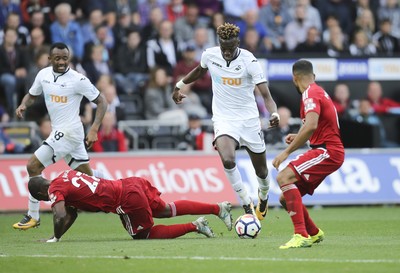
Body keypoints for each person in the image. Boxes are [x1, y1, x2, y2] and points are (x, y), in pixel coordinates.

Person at [172, 23, 280, 219]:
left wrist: (274, 114)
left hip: (249, 120)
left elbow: (266, 95)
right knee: (228, 159)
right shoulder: (210, 54)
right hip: (224, 119)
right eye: (223, 48)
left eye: (230, 48)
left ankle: (263, 195)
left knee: (262, 172)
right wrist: (178, 86)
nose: (227, 52)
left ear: (238, 42)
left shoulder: (250, 61)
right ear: (219, 44)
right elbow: (199, 70)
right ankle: (246, 202)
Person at [12, 42, 108, 230]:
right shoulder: (43, 75)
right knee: (87, 176)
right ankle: (115, 189)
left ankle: (33, 216)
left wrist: (94, 128)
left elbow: (102, 101)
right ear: (50, 59)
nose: (62, 62)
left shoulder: (78, 79)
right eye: (58, 58)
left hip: (69, 132)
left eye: (65, 58)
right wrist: (24, 104)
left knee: (33, 166)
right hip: (66, 133)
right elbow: (32, 95)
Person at [27, 169, 233, 241]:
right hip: (132, 183)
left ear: (39, 193)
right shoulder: (64, 175)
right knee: (166, 210)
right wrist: (58, 236)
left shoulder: (55, 190)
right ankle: (218, 208)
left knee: (143, 234)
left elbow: (60, 215)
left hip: (125, 199)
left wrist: (53, 239)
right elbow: (71, 215)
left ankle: (195, 226)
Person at [272, 59, 345, 249]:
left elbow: (311, 125)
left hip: (327, 150)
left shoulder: (309, 93)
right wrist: (298, 136)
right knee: (284, 199)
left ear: (294, 78)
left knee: (283, 176)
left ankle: (300, 235)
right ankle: (313, 233)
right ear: (314, 76)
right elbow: (319, 125)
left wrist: (286, 152)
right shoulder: (319, 91)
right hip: (327, 148)